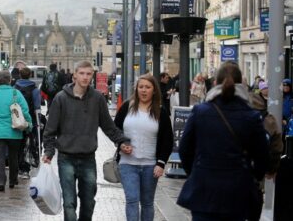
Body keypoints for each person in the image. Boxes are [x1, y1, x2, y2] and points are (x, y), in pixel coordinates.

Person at [177, 62, 270, 220]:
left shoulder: (200, 112)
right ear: (242, 84)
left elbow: (184, 149)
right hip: (237, 192)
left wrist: (195, 171)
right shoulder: (251, 116)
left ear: (215, 83)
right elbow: (262, 157)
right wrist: (251, 175)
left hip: (203, 189)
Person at [43, 61, 132, 221]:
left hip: (88, 157)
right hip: (66, 158)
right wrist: (49, 151)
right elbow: (50, 130)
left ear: (92, 76)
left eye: (89, 74)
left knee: (88, 201)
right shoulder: (61, 98)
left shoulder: (97, 98)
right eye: (82, 73)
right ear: (74, 75)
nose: (85, 77)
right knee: (69, 203)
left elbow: (108, 126)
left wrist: (121, 141)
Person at [114, 74, 173, 221]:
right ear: (136, 89)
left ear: (154, 90)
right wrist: (121, 144)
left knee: (147, 203)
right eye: (141, 87)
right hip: (127, 164)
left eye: (148, 87)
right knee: (132, 200)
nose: (144, 90)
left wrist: (161, 163)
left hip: (150, 166)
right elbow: (114, 130)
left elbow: (168, 140)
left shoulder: (160, 111)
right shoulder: (127, 107)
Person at [0, 70, 32, 191]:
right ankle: (12, 180)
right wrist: (29, 125)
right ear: (10, 80)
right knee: (13, 156)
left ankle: (0, 182)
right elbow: (25, 111)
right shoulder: (16, 93)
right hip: (15, 131)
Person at [14, 66, 42, 178]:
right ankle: (25, 168)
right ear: (30, 75)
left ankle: (16, 166)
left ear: (20, 75)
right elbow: (37, 106)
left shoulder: (14, 88)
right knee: (28, 143)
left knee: (17, 143)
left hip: (15, 119)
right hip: (29, 119)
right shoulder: (34, 89)